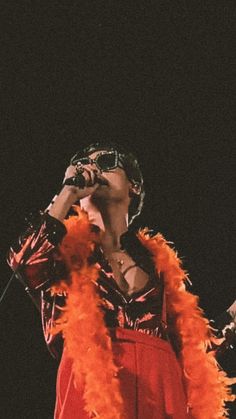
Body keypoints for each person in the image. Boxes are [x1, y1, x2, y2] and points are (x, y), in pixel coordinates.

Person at [8, 142, 235, 419]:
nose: (91, 167)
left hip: (161, 389)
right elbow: (25, 261)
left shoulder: (158, 263)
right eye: (82, 163)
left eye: (106, 161)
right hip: (92, 390)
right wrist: (68, 191)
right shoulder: (64, 252)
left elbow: (195, 346)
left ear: (134, 185)